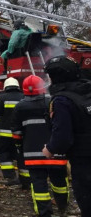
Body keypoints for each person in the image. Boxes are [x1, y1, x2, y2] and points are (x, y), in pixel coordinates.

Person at [12, 75, 68, 217]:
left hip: (32, 154)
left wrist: (19, 146)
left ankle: (44, 213)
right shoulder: (53, 102)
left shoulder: (20, 107)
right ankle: (62, 206)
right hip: (55, 151)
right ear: (42, 88)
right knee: (60, 181)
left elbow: (17, 132)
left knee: (38, 184)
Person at [42, 56, 91, 216]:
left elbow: (63, 137)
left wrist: (49, 149)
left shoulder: (62, 100)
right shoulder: (86, 91)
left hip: (83, 160)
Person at [0, 77, 28, 187]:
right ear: (18, 86)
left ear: (5, 87)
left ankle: (10, 177)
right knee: (21, 155)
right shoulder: (24, 97)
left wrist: (2, 122)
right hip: (21, 134)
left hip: (5, 134)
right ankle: (25, 180)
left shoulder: (2, 98)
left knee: (4, 154)